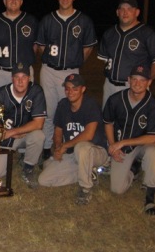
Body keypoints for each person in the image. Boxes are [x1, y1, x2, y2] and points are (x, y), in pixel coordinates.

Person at [35, 0, 97, 162]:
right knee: (48, 111)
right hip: (49, 69)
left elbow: (87, 48)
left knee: (68, 111)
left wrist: (74, 63)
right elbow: (40, 47)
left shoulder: (83, 20)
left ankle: (66, 147)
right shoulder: (47, 19)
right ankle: (47, 148)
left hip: (71, 72)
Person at [38, 74, 108, 205]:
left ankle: (86, 188)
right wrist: (59, 148)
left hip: (96, 151)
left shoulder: (90, 104)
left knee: (81, 147)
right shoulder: (63, 105)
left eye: (75, 88)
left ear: (83, 89)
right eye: (67, 88)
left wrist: (65, 146)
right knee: (44, 178)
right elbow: (58, 130)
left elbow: (89, 135)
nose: (70, 92)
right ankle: (88, 172)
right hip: (73, 153)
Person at [103, 65, 155, 216]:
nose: (137, 83)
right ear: (128, 80)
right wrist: (112, 146)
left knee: (153, 152)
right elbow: (108, 123)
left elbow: (153, 137)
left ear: (149, 82)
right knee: (117, 189)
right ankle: (134, 169)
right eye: (134, 79)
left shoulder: (153, 105)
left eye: (142, 80)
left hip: (142, 145)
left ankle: (149, 198)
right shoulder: (116, 99)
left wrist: (122, 143)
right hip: (122, 148)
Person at [0, 62, 46, 189]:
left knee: (38, 135)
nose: (20, 81)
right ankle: (8, 157)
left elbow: (39, 123)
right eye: (16, 77)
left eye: (24, 77)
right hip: (5, 136)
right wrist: (3, 133)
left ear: (29, 78)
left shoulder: (36, 91)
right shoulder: (1, 94)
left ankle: (28, 168)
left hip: (24, 135)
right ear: (12, 78)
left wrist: (14, 132)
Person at [97, 0, 155, 107]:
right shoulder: (109, 33)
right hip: (109, 85)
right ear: (117, 12)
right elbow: (105, 60)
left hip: (133, 87)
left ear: (137, 12)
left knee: (131, 122)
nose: (125, 12)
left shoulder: (148, 34)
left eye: (129, 9)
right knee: (108, 120)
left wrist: (145, 81)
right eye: (122, 9)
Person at [0, 0, 38, 93]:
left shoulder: (31, 20)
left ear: (21, 2)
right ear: (4, 2)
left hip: (25, 72)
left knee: (25, 105)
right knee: (0, 106)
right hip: (1, 72)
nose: (13, 1)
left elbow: (35, 45)